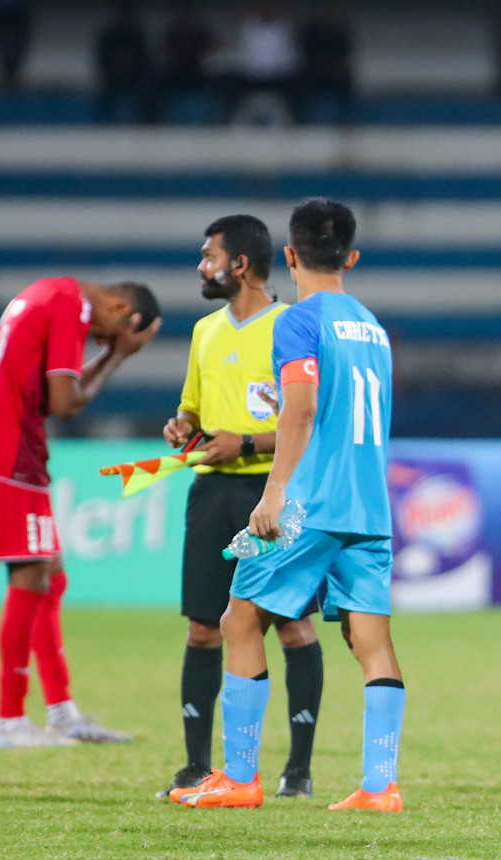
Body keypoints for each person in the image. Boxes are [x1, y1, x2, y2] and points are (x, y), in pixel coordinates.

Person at [171, 198, 404, 812]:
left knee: (237, 622)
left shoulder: (297, 321)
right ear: (350, 257)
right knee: (371, 640)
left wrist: (274, 494)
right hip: (368, 506)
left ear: (292, 255)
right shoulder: (373, 327)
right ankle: (380, 787)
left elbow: (300, 410)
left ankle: (240, 777)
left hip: (310, 502)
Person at [156, 215, 326, 802]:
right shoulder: (205, 331)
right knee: (205, 628)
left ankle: (297, 770)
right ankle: (197, 767)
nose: (202, 266)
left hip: (275, 493)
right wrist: (185, 426)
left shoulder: (293, 328)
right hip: (213, 493)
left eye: (209, 256)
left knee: (292, 625)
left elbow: (311, 421)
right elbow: (194, 411)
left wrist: (247, 443)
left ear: (242, 264)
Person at [0, 277, 161, 748]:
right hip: (8, 450)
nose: (102, 340)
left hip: (10, 444)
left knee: (50, 573)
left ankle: (62, 712)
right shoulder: (71, 305)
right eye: (112, 332)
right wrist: (116, 358)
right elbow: (64, 403)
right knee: (31, 575)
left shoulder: (51, 293)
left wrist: (112, 351)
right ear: (121, 308)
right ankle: (10, 721)